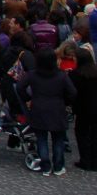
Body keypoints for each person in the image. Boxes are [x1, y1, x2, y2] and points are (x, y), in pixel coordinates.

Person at [17, 47, 77, 176]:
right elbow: (72, 92)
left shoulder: (32, 74)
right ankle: (58, 166)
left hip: (38, 108)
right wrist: (65, 102)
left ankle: (45, 167)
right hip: (57, 109)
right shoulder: (61, 75)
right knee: (58, 140)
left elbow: (20, 87)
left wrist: (28, 98)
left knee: (41, 139)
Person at [69, 47, 97, 171]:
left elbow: (71, 93)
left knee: (82, 134)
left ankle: (85, 160)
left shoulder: (75, 74)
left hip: (82, 109)